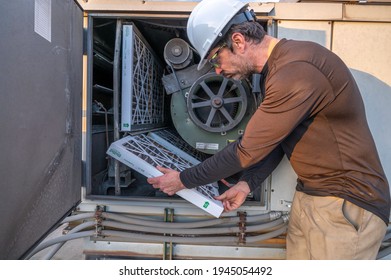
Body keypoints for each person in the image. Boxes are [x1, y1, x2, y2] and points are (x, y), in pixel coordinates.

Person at [147, 0, 390, 259]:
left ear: (238, 41)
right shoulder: (275, 72)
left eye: (216, 57)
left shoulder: (295, 71)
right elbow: (274, 142)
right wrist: (246, 184)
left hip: (346, 205)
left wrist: (182, 180)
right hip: (312, 196)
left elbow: (245, 152)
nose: (216, 69)